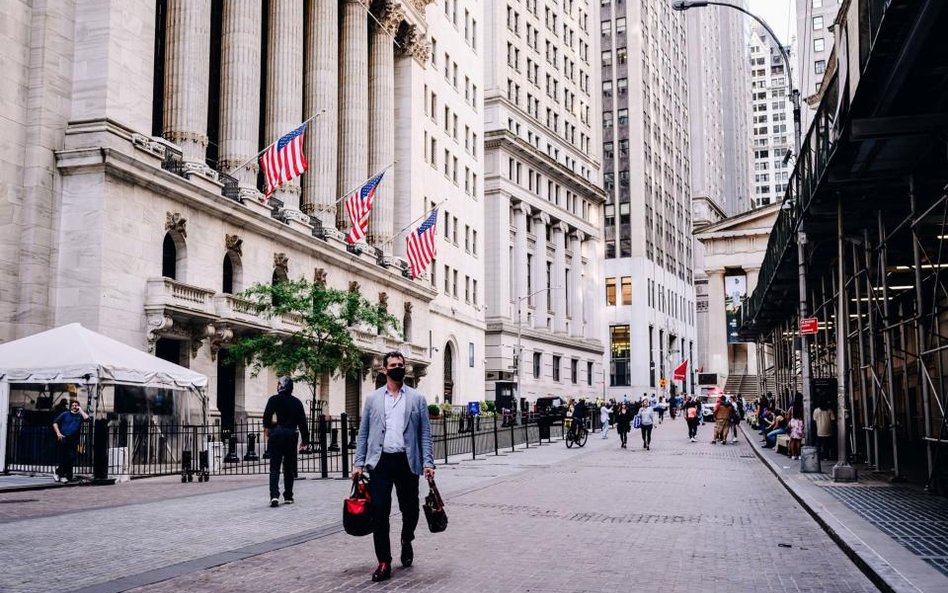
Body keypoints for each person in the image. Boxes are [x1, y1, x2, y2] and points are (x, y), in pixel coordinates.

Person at [352, 351, 435, 583]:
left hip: (407, 463)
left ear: (405, 368)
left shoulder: (417, 399)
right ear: (384, 369)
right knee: (380, 511)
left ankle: (406, 538)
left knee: (411, 510)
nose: (397, 368)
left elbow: (425, 434)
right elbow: (364, 433)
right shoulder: (373, 399)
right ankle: (384, 561)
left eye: (401, 364)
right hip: (380, 463)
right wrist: (358, 463)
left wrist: (428, 463)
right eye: (393, 365)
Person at [263, 376, 309, 507]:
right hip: (291, 435)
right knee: (289, 467)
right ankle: (288, 495)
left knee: (274, 467)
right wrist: (305, 440)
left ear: (280, 386)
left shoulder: (274, 399)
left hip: (276, 434)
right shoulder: (297, 402)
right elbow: (302, 422)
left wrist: (268, 427)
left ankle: (274, 496)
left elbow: (267, 415)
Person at [52, 400, 89, 483]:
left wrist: (81, 410)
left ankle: (58, 472)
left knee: (71, 458)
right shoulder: (65, 414)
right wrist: (58, 433)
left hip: (74, 440)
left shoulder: (80, 416)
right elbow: (55, 422)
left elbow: (87, 419)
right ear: (70, 407)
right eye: (73, 405)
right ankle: (62, 475)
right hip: (64, 438)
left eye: (76, 405)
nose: (74, 406)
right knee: (64, 457)